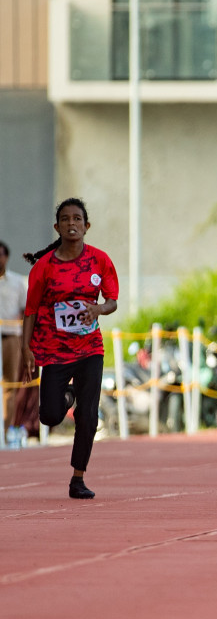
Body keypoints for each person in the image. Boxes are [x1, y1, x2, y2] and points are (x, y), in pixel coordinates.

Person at [18, 200, 118, 497]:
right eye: (65, 219)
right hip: (55, 350)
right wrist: (26, 349)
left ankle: (78, 478)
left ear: (86, 226)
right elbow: (31, 310)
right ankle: (68, 395)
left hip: (90, 349)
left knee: (88, 416)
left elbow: (112, 300)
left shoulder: (99, 260)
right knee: (49, 415)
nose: (71, 223)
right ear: (57, 227)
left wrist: (98, 309)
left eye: (77, 218)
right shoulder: (44, 267)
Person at [0, 240, 28, 447]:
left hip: (10, 336)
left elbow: (25, 309)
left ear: (6, 257)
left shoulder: (17, 282)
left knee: (9, 383)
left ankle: (6, 428)